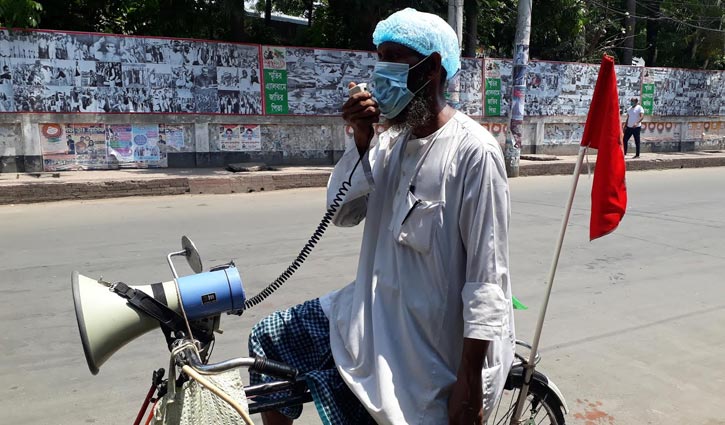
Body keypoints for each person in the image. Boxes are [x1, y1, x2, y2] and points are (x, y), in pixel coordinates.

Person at [248, 8, 515, 425]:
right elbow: (344, 214)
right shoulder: (388, 142)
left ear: (433, 71)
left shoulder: (473, 153)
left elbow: (487, 280)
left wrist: (470, 382)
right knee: (270, 341)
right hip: (366, 317)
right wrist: (361, 140)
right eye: (380, 60)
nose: (382, 75)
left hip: (426, 352)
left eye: (396, 61)